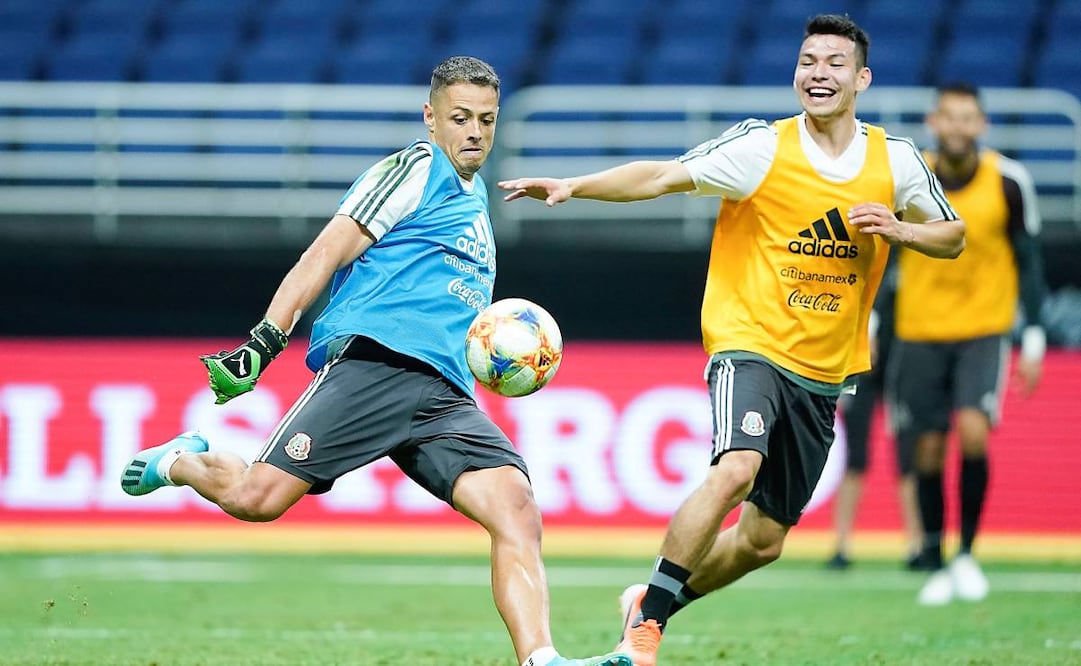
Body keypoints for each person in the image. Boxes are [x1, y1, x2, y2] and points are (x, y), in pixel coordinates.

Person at [119, 56, 631, 666]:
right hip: (375, 364)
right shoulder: (415, 169)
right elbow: (326, 251)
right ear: (430, 117)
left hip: (444, 392)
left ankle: (540, 660)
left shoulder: (478, 213)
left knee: (516, 506)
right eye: (460, 118)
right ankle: (182, 459)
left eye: (486, 121)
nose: (474, 132)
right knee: (258, 499)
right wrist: (265, 339)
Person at [498, 15, 965, 666]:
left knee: (761, 542)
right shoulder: (761, 149)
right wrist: (576, 187)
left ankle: (651, 601)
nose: (816, 73)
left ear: (861, 79)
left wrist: (899, 229)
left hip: (824, 370)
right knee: (735, 468)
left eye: (833, 63)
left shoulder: (897, 161)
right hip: (748, 343)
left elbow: (953, 235)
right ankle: (644, 634)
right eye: (806, 61)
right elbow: (662, 177)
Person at [889, 82, 1047, 606]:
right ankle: (934, 556)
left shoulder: (1008, 180)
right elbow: (882, 253)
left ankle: (967, 554)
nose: (957, 127)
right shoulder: (911, 175)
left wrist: (1034, 333)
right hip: (919, 330)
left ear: (981, 125)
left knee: (974, 433)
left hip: (984, 329)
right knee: (928, 448)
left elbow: (1029, 259)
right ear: (934, 122)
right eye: (949, 117)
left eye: (968, 118)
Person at [825, 254, 925, 571]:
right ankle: (841, 544)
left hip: (902, 358)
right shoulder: (871, 245)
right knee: (855, 456)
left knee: (908, 455)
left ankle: (918, 543)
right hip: (860, 361)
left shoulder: (912, 248)